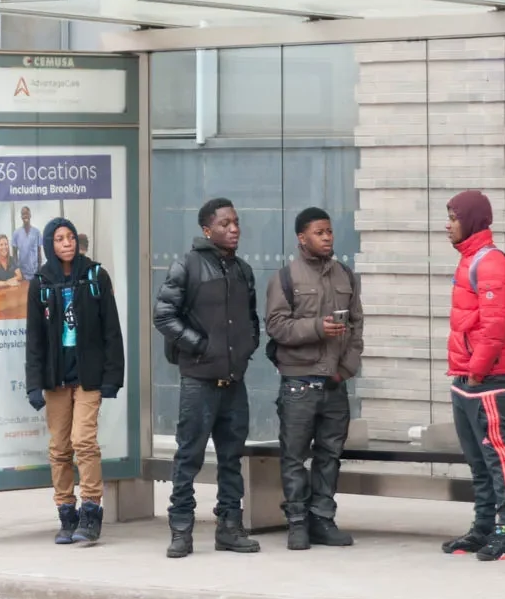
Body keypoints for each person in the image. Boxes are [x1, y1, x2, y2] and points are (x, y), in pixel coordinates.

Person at [154, 197, 261, 558]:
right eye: (225, 224)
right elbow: (164, 316)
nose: (234, 229)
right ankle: (181, 528)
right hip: (198, 382)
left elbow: (252, 319)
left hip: (234, 381)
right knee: (188, 457)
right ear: (206, 229)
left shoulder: (243, 270)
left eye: (236, 222)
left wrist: (247, 348)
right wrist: (199, 346)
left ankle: (230, 527)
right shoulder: (187, 265)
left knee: (232, 459)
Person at [264, 207, 363, 551]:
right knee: (293, 455)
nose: (327, 238)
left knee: (330, 455)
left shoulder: (346, 276)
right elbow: (276, 326)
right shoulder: (286, 278)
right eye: (319, 232)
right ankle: (296, 521)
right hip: (298, 383)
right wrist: (316, 327)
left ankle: (322, 518)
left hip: (334, 382)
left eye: (330, 231)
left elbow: (357, 327)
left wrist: (345, 370)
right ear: (302, 238)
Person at [24, 217, 125, 545]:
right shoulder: (40, 282)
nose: (66, 243)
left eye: (70, 237)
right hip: (56, 379)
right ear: (49, 245)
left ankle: (91, 509)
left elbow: (112, 329)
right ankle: (66, 512)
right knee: (59, 448)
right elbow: (34, 339)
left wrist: (112, 377)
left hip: (88, 377)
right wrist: (33, 383)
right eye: (59, 239)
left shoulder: (95, 276)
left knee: (84, 441)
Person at [441, 190, 505, 562]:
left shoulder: (488, 263)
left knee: (497, 457)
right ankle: (484, 527)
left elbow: (494, 328)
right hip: (465, 376)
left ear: (472, 220)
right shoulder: (470, 259)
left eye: (454, 218)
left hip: (483, 379)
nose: (448, 225)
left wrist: (476, 373)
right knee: (477, 461)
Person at [12, 207, 43, 280]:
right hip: (22, 274)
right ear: (21, 217)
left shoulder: (37, 232)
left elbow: (39, 252)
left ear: (30, 215)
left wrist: (39, 270)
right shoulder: (16, 233)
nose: (25, 216)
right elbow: (14, 255)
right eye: (23, 214)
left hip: (34, 272)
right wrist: (17, 271)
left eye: (27, 213)